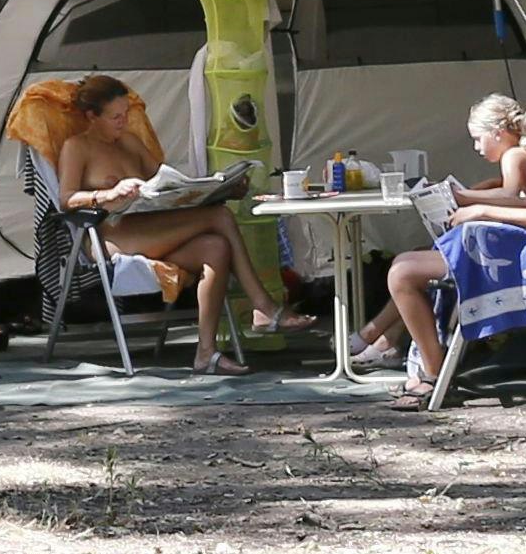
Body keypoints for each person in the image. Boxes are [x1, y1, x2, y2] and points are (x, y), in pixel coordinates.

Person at [26, 74, 319, 376]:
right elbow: (66, 199)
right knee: (219, 218)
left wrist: (221, 189)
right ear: (92, 116)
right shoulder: (78, 147)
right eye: (116, 116)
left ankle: (206, 354)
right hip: (113, 236)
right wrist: (108, 193)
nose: (124, 120)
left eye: (126, 113)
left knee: (215, 248)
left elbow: (168, 183)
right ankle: (264, 307)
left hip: (153, 228)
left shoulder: (129, 142)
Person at [382, 87, 526, 411]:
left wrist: (482, 212)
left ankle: (433, 371)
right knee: (403, 261)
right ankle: (431, 364)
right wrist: (466, 199)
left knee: (402, 274)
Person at [346, 92, 526, 368]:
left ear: (499, 133)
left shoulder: (514, 155)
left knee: (411, 266)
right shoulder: (521, 155)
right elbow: (504, 186)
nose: (476, 147)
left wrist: (462, 198)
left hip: (521, 253)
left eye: (478, 139)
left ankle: (381, 339)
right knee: (417, 259)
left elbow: (510, 194)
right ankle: (384, 339)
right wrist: (468, 192)